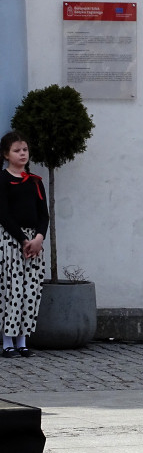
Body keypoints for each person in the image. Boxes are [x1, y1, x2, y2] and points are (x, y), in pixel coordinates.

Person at [0, 131, 49, 358]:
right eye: (17, 150)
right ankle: (7, 340)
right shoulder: (3, 180)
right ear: (6, 154)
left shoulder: (36, 182)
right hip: (11, 240)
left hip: (34, 243)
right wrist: (22, 239)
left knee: (30, 290)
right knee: (12, 289)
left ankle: (23, 339)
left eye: (25, 150)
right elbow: (4, 214)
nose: (22, 154)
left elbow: (43, 215)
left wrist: (38, 238)